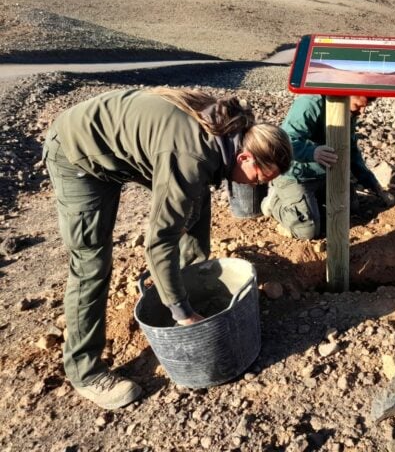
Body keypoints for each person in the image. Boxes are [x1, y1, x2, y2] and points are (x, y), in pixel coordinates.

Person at [43, 87, 292, 409]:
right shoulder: (192, 155)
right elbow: (159, 240)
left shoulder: (229, 132)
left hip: (130, 146)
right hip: (78, 153)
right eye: (260, 177)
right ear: (244, 156)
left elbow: (193, 196)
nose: (258, 185)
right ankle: (85, 371)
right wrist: (183, 314)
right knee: (91, 263)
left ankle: (193, 288)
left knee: (194, 200)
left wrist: (195, 272)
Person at [262, 94, 395, 240]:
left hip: (326, 174)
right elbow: (285, 140)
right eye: (359, 106)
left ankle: (311, 203)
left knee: (352, 207)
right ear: (348, 93)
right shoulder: (310, 103)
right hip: (296, 175)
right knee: (307, 230)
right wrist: (312, 152)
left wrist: (374, 186)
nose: (362, 112)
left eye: (365, 107)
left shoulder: (348, 110)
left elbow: (352, 152)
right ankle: (275, 202)